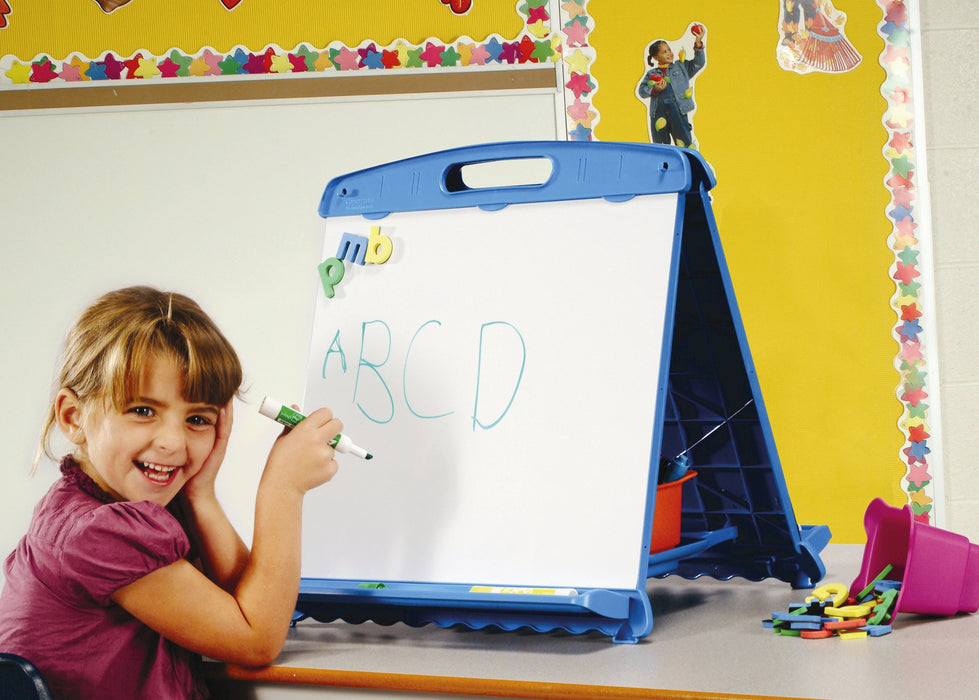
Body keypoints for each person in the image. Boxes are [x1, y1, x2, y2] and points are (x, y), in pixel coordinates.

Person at [0, 286, 343, 698]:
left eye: (198, 418)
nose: (173, 443)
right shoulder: (101, 533)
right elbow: (256, 637)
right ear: (74, 418)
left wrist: (201, 493)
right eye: (143, 411)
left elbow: (244, 600)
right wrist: (282, 489)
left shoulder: (94, 506)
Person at [636, 25, 706, 148]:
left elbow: (698, 63)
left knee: (684, 143)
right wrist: (654, 89)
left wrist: (698, 43)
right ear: (656, 58)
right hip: (658, 113)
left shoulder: (681, 67)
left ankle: (689, 164)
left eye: (669, 50)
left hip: (678, 111)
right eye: (664, 52)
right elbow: (641, 91)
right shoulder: (652, 74)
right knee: (660, 146)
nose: (669, 53)